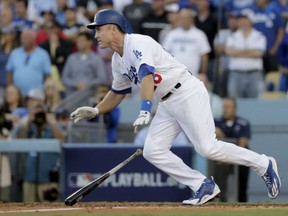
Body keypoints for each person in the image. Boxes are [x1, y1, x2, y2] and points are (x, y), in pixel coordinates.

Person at [70, 9, 281, 205]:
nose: (95, 34)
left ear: (113, 29)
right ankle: (202, 185)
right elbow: (118, 92)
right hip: (168, 101)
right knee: (153, 151)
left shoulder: (137, 43)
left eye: (99, 29)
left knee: (207, 147)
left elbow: (147, 76)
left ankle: (263, 163)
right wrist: (97, 109)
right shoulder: (117, 60)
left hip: (186, 92)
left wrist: (145, 108)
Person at [17, 103, 64, 202]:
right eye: (36, 114)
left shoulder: (52, 129)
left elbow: (61, 141)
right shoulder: (30, 128)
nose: (39, 117)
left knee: (49, 209)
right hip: (29, 177)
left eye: (40, 114)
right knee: (28, 209)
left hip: (47, 178)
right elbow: (20, 142)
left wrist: (49, 121)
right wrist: (28, 122)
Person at [213, 97, 251, 202]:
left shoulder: (243, 123)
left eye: (228, 107)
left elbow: (243, 143)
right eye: (224, 107)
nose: (225, 110)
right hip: (222, 160)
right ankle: (221, 204)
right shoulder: (216, 122)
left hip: (239, 160)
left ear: (235, 109)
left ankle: (242, 205)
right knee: (220, 183)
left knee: (241, 187)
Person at [225, 12, 266, 98]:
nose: (242, 21)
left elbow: (259, 53)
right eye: (240, 19)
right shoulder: (232, 36)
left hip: (254, 74)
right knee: (235, 101)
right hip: (236, 73)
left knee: (255, 103)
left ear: (251, 20)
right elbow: (228, 51)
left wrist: (237, 52)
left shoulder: (259, 36)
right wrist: (250, 52)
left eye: (245, 19)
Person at [162, 9, 210, 77]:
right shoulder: (172, 34)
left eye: (186, 18)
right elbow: (165, 53)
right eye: (182, 18)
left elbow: (204, 55)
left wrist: (203, 73)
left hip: (193, 75)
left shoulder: (200, 35)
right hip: (174, 74)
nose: (184, 21)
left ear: (192, 19)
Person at [6, 29, 52, 97]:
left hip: (36, 94)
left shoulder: (43, 54)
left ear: (33, 39)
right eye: (22, 38)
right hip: (17, 96)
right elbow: (9, 73)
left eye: (26, 38)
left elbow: (47, 75)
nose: (23, 40)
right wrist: (9, 88)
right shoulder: (15, 53)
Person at [62, 31, 107, 95]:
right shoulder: (71, 58)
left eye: (81, 41)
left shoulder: (97, 59)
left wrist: (87, 84)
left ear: (90, 42)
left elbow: (102, 78)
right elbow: (65, 78)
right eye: (77, 41)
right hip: (72, 96)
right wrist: (75, 84)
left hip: (91, 96)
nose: (78, 43)